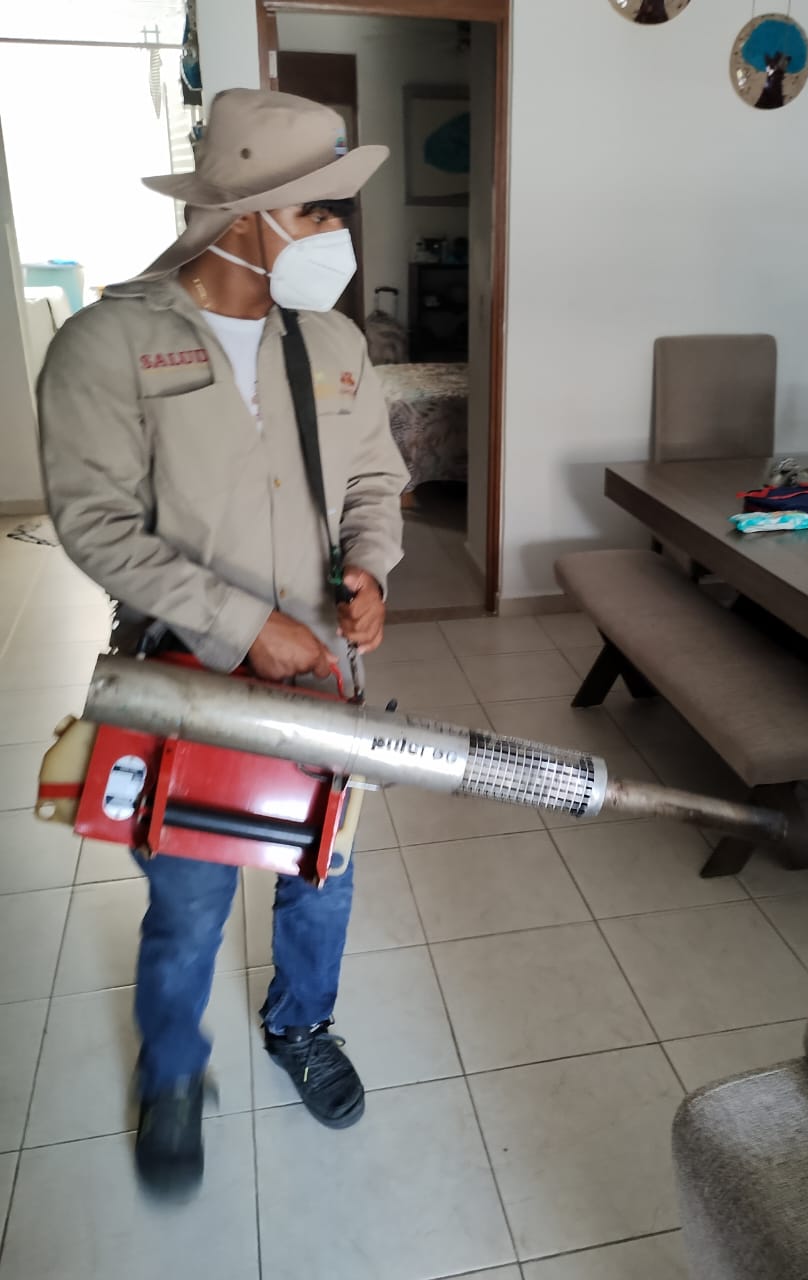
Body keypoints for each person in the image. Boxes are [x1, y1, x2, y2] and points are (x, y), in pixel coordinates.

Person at [38, 88, 409, 1198]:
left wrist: (371, 568)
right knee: (190, 895)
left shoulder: (333, 340)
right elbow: (96, 524)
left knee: (321, 872)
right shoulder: (111, 343)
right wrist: (249, 625)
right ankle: (170, 1068)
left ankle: (302, 1023)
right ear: (246, 219)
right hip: (191, 674)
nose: (336, 233)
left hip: (325, 675)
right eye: (319, 211)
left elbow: (376, 479)